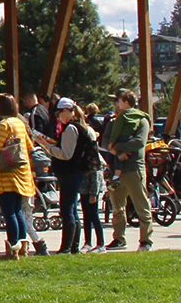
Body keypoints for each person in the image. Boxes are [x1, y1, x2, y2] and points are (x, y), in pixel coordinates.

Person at [35, 97, 102, 254]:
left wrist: (47, 147)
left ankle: (67, 247)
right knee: (71, 209)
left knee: (67, 209)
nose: (58, 117)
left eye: (59, 113)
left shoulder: (71, 129)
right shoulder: (78, 127)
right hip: (74, 173)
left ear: (66, 111)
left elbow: (66, 154)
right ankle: (73, 246)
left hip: (71, 172)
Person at [0, 94, 36, 259]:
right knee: (18, 210)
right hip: (22, 172)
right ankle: (23, 246)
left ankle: (13, 247)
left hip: (8, 173)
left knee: (9, 213)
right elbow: (29, 145)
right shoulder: (20, 123)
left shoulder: (4, 124)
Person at [103, 89, 153, 251]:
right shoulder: (113, 121)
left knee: (141, 206)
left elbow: (139, 142)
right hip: (116, 171)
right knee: (117, 207)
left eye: (117, 100)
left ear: (126, 101)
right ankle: (119, 239)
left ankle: (146, 240)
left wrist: (117, 147)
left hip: (133, 169)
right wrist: (117, 152)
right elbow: (104, 141)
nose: (115, 104)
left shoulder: (141, 121)